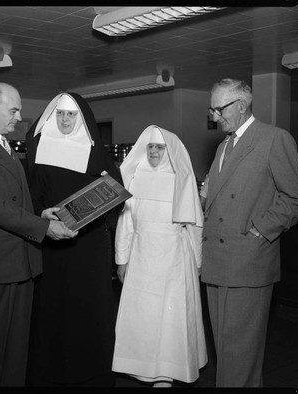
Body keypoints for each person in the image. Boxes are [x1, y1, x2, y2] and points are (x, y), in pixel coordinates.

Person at [0, 83, 77, 386]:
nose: (19, 116)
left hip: (21, 262)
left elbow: (14, 201)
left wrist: (39, 215)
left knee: (16, 350)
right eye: (13, 109)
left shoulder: (5, 145)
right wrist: (43, 228)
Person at [201, 78, 298, 387]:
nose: (213, 116)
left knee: (240, 352)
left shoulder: (274, 139)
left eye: (218, 109)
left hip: (247, 260)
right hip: (217, 260)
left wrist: (260, 231)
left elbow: (296, 199)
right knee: (227, 350)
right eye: (212, 109)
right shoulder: (223, 146)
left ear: (242, 106)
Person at [25, 92, 123, 387]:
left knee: (87, 310)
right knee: (51, 309)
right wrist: (43, 215)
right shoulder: (39, 150)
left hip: (88, 247)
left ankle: (91, 373)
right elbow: (30, 198)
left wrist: (111, 187)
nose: (65, 120)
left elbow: (116, 198)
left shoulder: (97, 153)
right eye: (60, 115)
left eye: (71, 115)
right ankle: (50, 372)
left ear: (81, 119)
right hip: (52, 244)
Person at [111, 125, 207, 388]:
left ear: (170, 151)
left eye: (159, 147)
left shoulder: (181, 179)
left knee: (171, 317)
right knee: (144, 315)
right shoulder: (135, 176)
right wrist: (122, 259)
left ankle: (167, 373)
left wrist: (197, 263)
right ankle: (143, 368)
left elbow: (195, 226)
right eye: (150, 146)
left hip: (175, 257)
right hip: (142, 255)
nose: (153, 151)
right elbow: (126, 222)